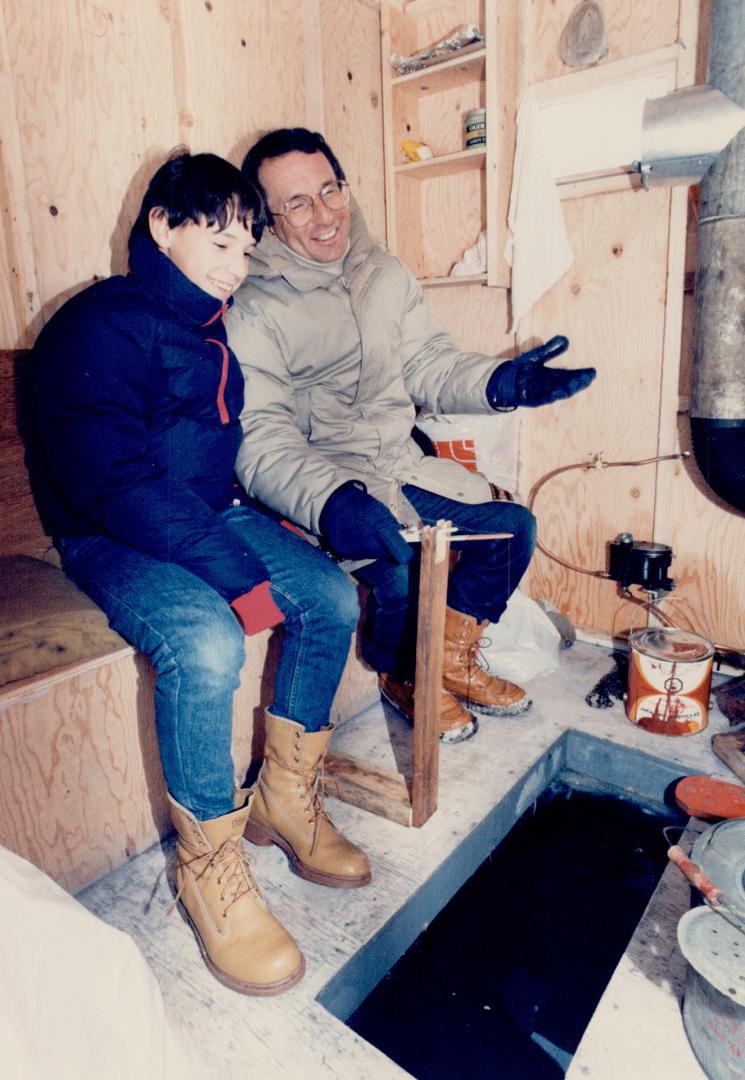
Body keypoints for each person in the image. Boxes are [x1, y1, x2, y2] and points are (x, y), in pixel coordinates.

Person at [29, 150, 371, 999]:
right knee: (210, 641)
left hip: (201, 515)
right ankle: (208, 867)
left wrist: (285, 525)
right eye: (219, 243)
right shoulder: (96, 324)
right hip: (108, 533)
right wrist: (237, 576)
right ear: (162, 227)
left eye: (247, 250)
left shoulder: (209, 329)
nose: (236, 267)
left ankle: (285, 800)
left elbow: (214, 459)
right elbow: (110, 479)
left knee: (328, 596)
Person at [228, 128, 596, 744]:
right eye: (297, 204)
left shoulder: (383, 272)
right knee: (396, 569)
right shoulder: (253, 307)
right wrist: (332, 501)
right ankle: (403, 673)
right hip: (322, 485)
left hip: (397, 462)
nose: (324, 216)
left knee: (512, 530)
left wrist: (502, 384)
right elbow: (261, 439)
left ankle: (447, 662)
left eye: (329, 190)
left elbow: (430, 361)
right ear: (267, 219)